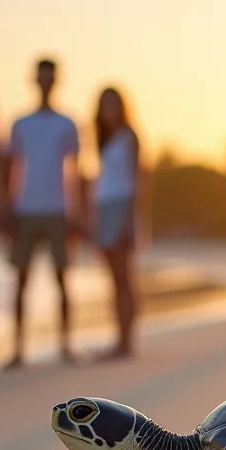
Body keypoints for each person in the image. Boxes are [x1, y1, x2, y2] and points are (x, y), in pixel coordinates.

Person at [0, 58, 81, 368]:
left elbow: (76, 169)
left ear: (55, 81)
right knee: (21, 280)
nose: (45, 83)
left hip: (59, 209)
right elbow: (10, 168)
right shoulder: (20, 124)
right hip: (25, 209)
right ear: (34, 80)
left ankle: (65, 345)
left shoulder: (67, 123)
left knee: (62, 278)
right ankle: (18, 350)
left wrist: (77, 211)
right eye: (41, 78)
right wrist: (7, 207)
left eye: (50, 78)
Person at [90, 86, 148, 361]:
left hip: (122, 208)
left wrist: (130, 219)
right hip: (105, 208)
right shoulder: (102, 139)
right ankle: (120, 338)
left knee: (124, 278)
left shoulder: (129, 136)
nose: (108, 110)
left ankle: (127, 340)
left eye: (113, 104)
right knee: (114, 279)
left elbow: (138, 179)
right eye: (104, 105)